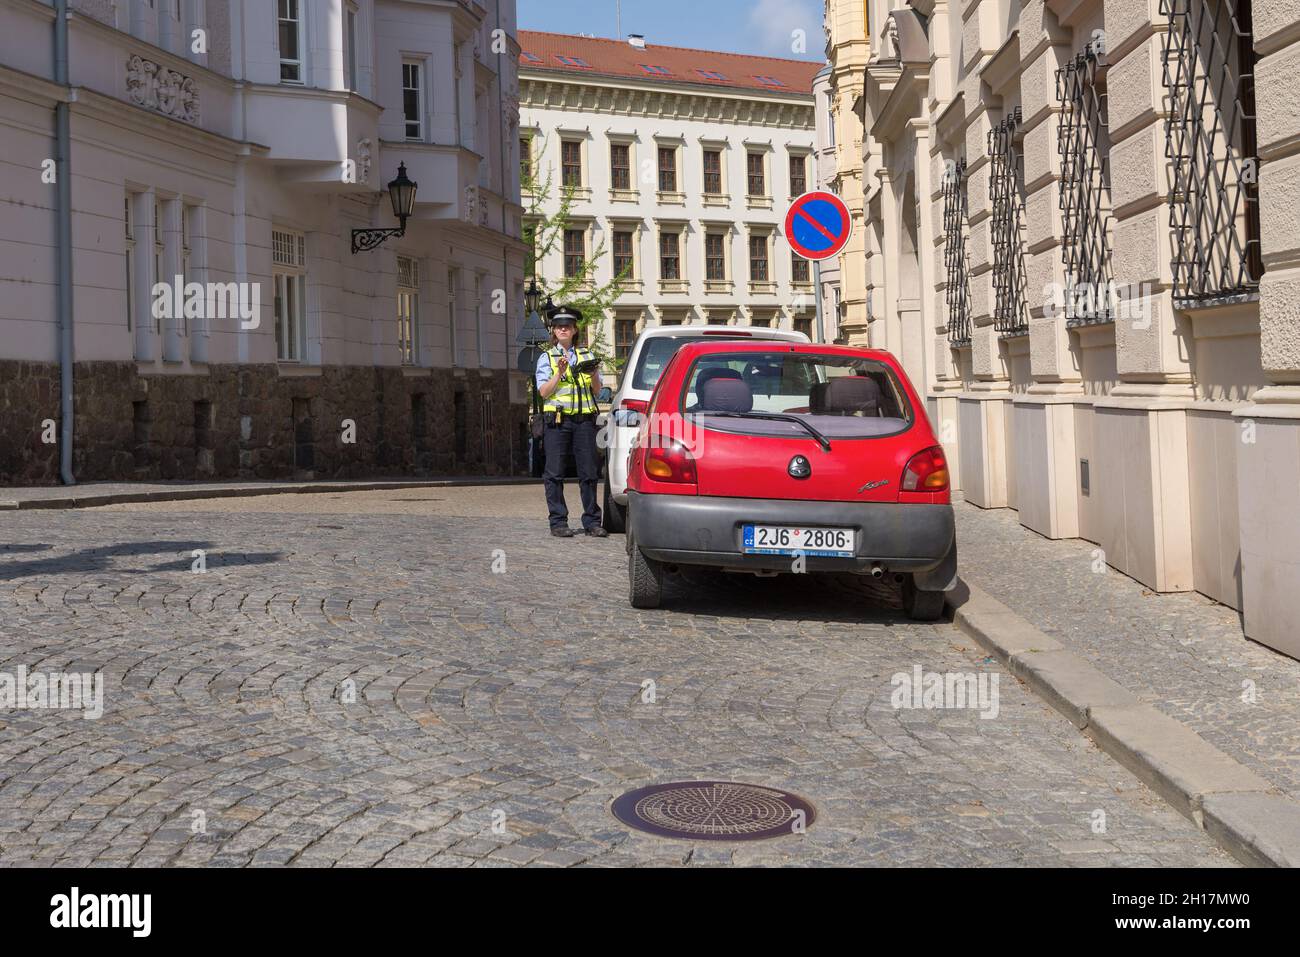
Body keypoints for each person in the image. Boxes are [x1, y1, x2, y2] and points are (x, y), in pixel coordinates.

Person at [535, 306, 607, 537]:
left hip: (584, 422)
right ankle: (558, 522)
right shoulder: (547, 357)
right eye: (558, 326)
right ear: (553, 331)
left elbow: (597, 392)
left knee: (589, 473)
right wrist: (559, 373)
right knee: (554, 473)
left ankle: (592, 522)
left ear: (575, 330)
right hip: (557, 422)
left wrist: (594, 373)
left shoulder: (587, 355)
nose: (563, 329)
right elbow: (544, 392)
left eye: (567, 326)